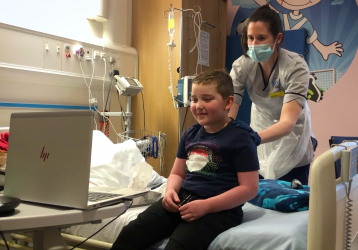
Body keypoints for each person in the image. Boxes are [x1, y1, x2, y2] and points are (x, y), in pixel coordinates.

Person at [111, 70, 260, 250]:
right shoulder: (191, 134)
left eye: (207, 99)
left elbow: (249, 188)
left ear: (228, 102)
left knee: (178, 246)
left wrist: (206, 206)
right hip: (182, 199)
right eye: (194, 99)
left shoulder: (240, 138)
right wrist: (170, 191)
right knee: (131, 233)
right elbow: (177, 173)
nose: (198, 105)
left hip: (220, 209)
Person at [229, 5, 316, 184]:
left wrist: (251, 138)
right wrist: (224, 133)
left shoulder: (295, 66)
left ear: (278, 38)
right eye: (250, 38)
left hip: (292, 133)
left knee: (290, 197)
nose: (253, 44)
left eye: (261, 38)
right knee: (261, 191)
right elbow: (229, 110)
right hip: (260, 124)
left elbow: (286, 123)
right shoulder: (242, 66)